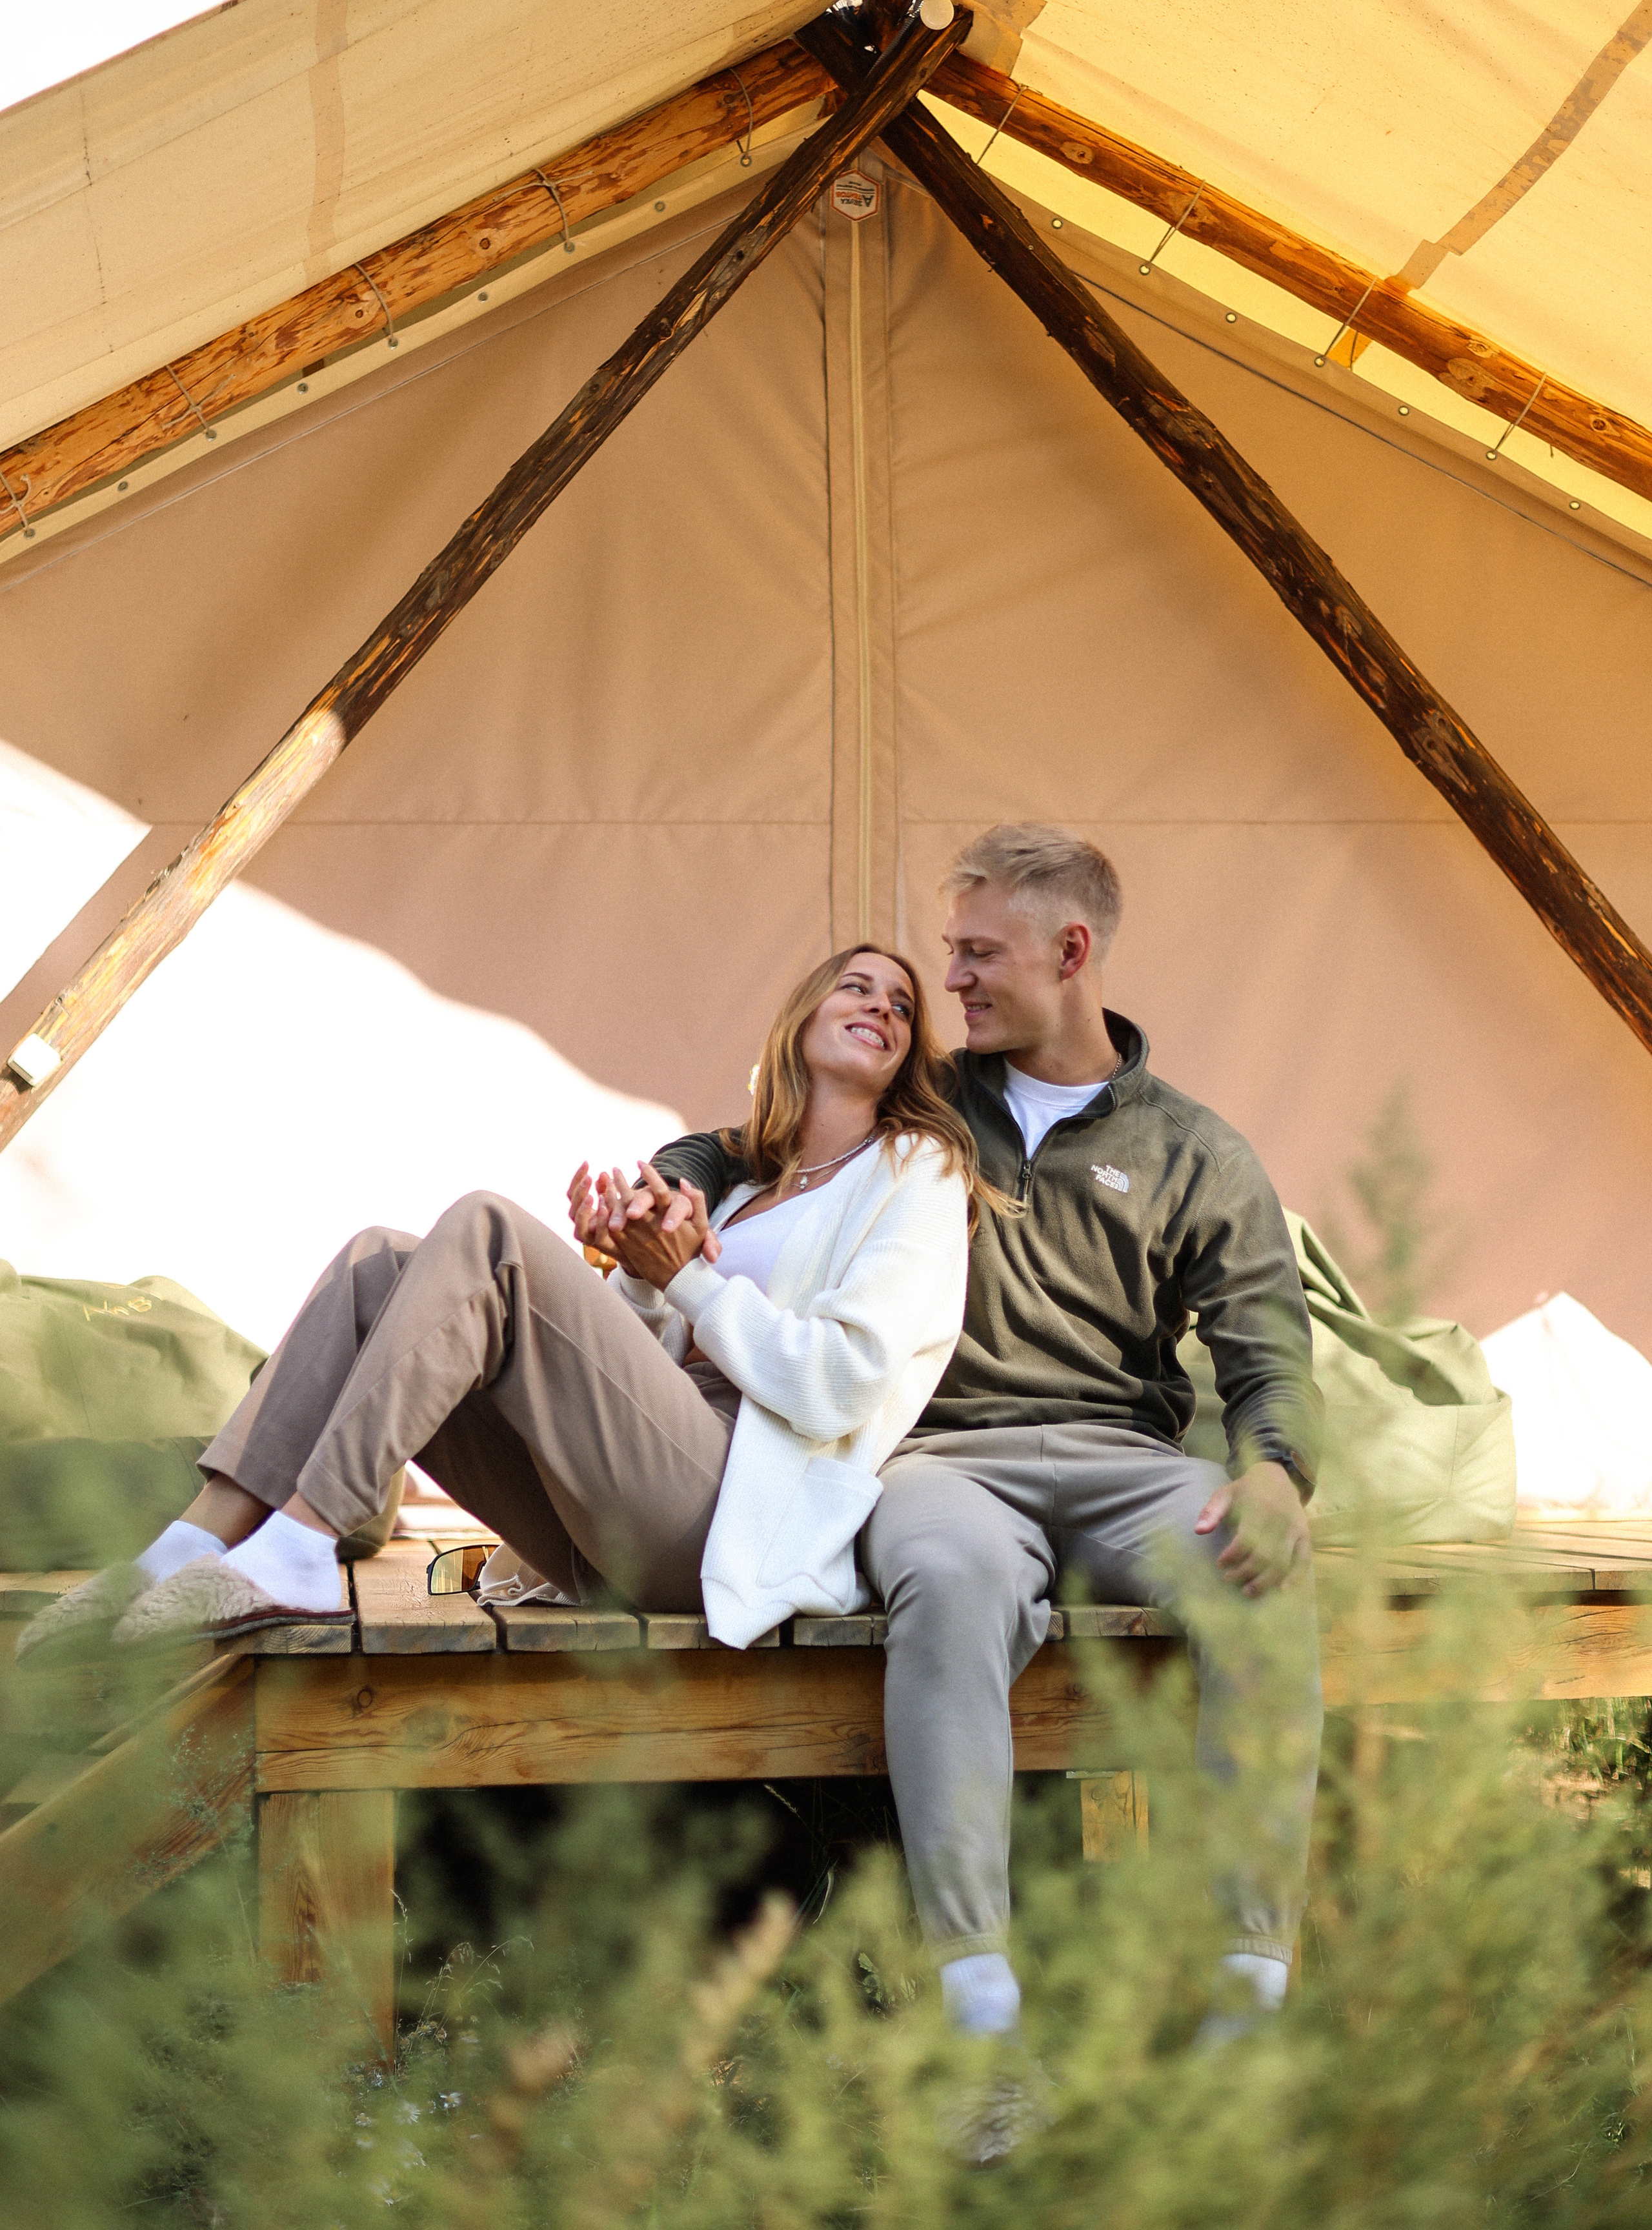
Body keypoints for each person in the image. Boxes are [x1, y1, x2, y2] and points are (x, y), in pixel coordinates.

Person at [641, 824, 1324, 2049]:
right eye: (948, 952)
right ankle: (978, 1996)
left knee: (1264, 1573)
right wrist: (675, 1176)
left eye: (974, 953)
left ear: (1069, 952)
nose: (947, 980)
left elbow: (1267, 1347)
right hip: (945, 1464)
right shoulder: (926, 1103)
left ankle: (1250, 1980)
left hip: (1129, 1467)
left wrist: (1274, 1472)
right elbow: (752, 1139)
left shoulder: (1195, 1150)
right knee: (947, 1583)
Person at [19, 945, 978, 1661]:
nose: (883, 1007)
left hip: (736, 1513)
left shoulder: (915, 1172)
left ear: (909, 1057)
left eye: (903, 1005)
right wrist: (639, 1269)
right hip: (626, 1504)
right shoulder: (740, 1191)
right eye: (858, 986)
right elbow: (647, 1357)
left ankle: (304, 1547)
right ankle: (184, 1547)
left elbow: (841, 1386)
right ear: (804, 1015)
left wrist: (689, 1277)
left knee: (488, 1229)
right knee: (377, 1264)